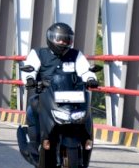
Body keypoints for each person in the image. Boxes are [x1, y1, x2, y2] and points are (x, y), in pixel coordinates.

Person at [21, 22, 99, 157]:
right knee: (32, 109)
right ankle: (34, 144)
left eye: (66, 39)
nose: (62, 42)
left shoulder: (76, 55)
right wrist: (30, 79)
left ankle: (85, 141)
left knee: (86, 114)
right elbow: (30, 68)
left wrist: (91, 79)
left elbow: (85, 70)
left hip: (72, 95)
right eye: (59, 39)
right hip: (46, 94)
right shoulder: (38, 53)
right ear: (51, 38)